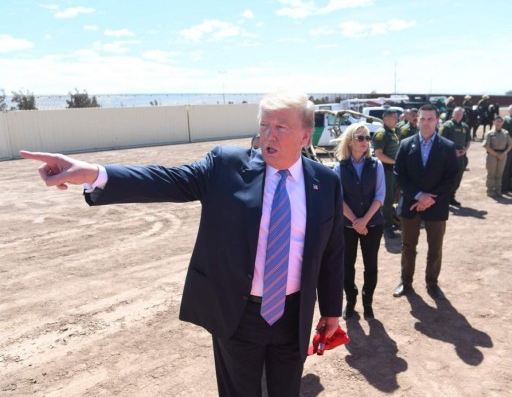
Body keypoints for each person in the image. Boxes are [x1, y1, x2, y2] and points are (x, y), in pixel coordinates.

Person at [20, 90, 345, 397]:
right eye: (264, 125)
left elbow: (331, 254)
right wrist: (95, 173)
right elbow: (169, 180)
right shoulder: (226, 166)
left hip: (293, 315)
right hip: (239, 314)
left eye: (280, 127)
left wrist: (331, 311)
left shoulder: (326, 182)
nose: (268, 135)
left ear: (305, 135)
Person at [392, 104, 459, 300]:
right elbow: (399, 174)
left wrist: (429, 198)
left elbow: (451, 177)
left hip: (436, 206)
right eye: (423, 119)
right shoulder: (405, 145)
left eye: (430, 119)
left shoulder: (447, 147)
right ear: (417, 120)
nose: (426, 122)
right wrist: (419, 195)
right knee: (408, 246)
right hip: (411, 204)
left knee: (435, 247)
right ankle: (405, 282)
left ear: (437, 121)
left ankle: (432, 283)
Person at [333, 124, 385, 321]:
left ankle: (368, 302)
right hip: (347, 226)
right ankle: (351, 300)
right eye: (360, 137)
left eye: (367, 137)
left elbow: (380, 196)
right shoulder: (340, 167)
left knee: (371, 265)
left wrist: (364, 221)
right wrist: (356, 221)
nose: (365, 141)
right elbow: (339, 198)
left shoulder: (376, 165)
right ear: (350, 141)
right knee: (347, 265)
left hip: (373, 225)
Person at [372, 109, 400, 239]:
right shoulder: (381, 133)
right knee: (387, 200)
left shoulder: (391, 133)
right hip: (385, 171)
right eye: (394, 117)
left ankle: (390, 221)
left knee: (392, 198)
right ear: (386, 119)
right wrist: (395, 162)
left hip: (392, 171)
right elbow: (378, 154)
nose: (397, 119)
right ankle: (385, 227)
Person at [439, 107, 471, 207]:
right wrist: (453, 151)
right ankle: (443, 198)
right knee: (447, 178)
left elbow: (468, 141)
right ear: (453, 114)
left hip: (461, 156)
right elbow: (440, 140)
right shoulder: (447, 125)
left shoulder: (465, 126)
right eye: (457, 113)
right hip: (449, 157)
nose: (458, 115)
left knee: (458, 177)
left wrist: (464, 150)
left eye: (460, 114)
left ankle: (451, 197)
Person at [482, 116, 512, 197]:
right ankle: (490, 191)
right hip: (492, 155)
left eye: (500, 121)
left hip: (503, 155)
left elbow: (510, 145)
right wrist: (497, 155)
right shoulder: (489, 133)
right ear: (494, 122)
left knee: (499, 174)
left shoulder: (506, 133)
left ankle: (498, 190)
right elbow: (486, 146)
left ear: (502, 123)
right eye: (497, 121)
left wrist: (504, 153)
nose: (498, 123)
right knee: (492, 174)